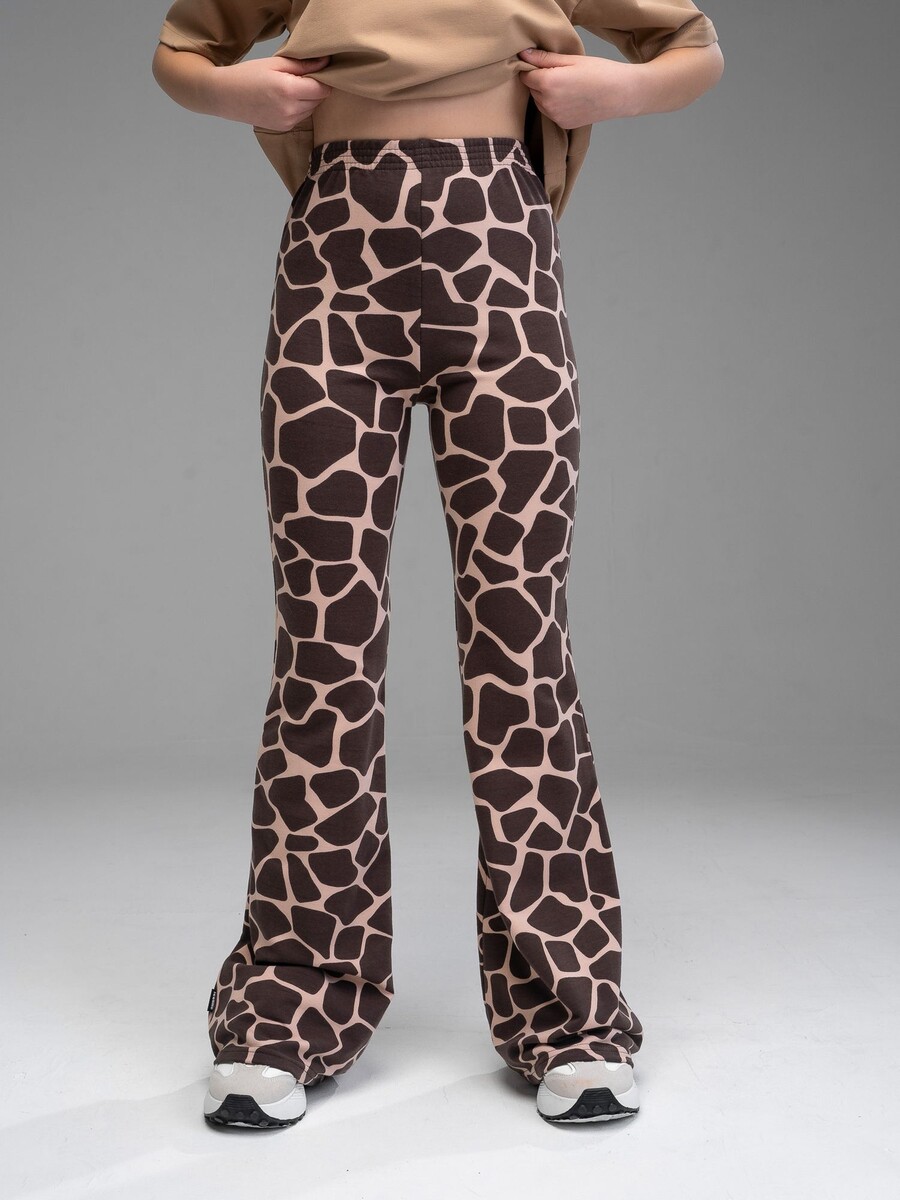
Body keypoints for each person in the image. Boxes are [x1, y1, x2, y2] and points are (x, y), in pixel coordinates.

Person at [151, 0, 723, 1130]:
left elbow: (694, 48)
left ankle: (570, 1012)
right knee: (324, 649)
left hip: (503, 264)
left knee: (522, 647)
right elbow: (182, 50)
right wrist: (231, 91)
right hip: (333, 279)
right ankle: (291, 1001)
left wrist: (618, 90)